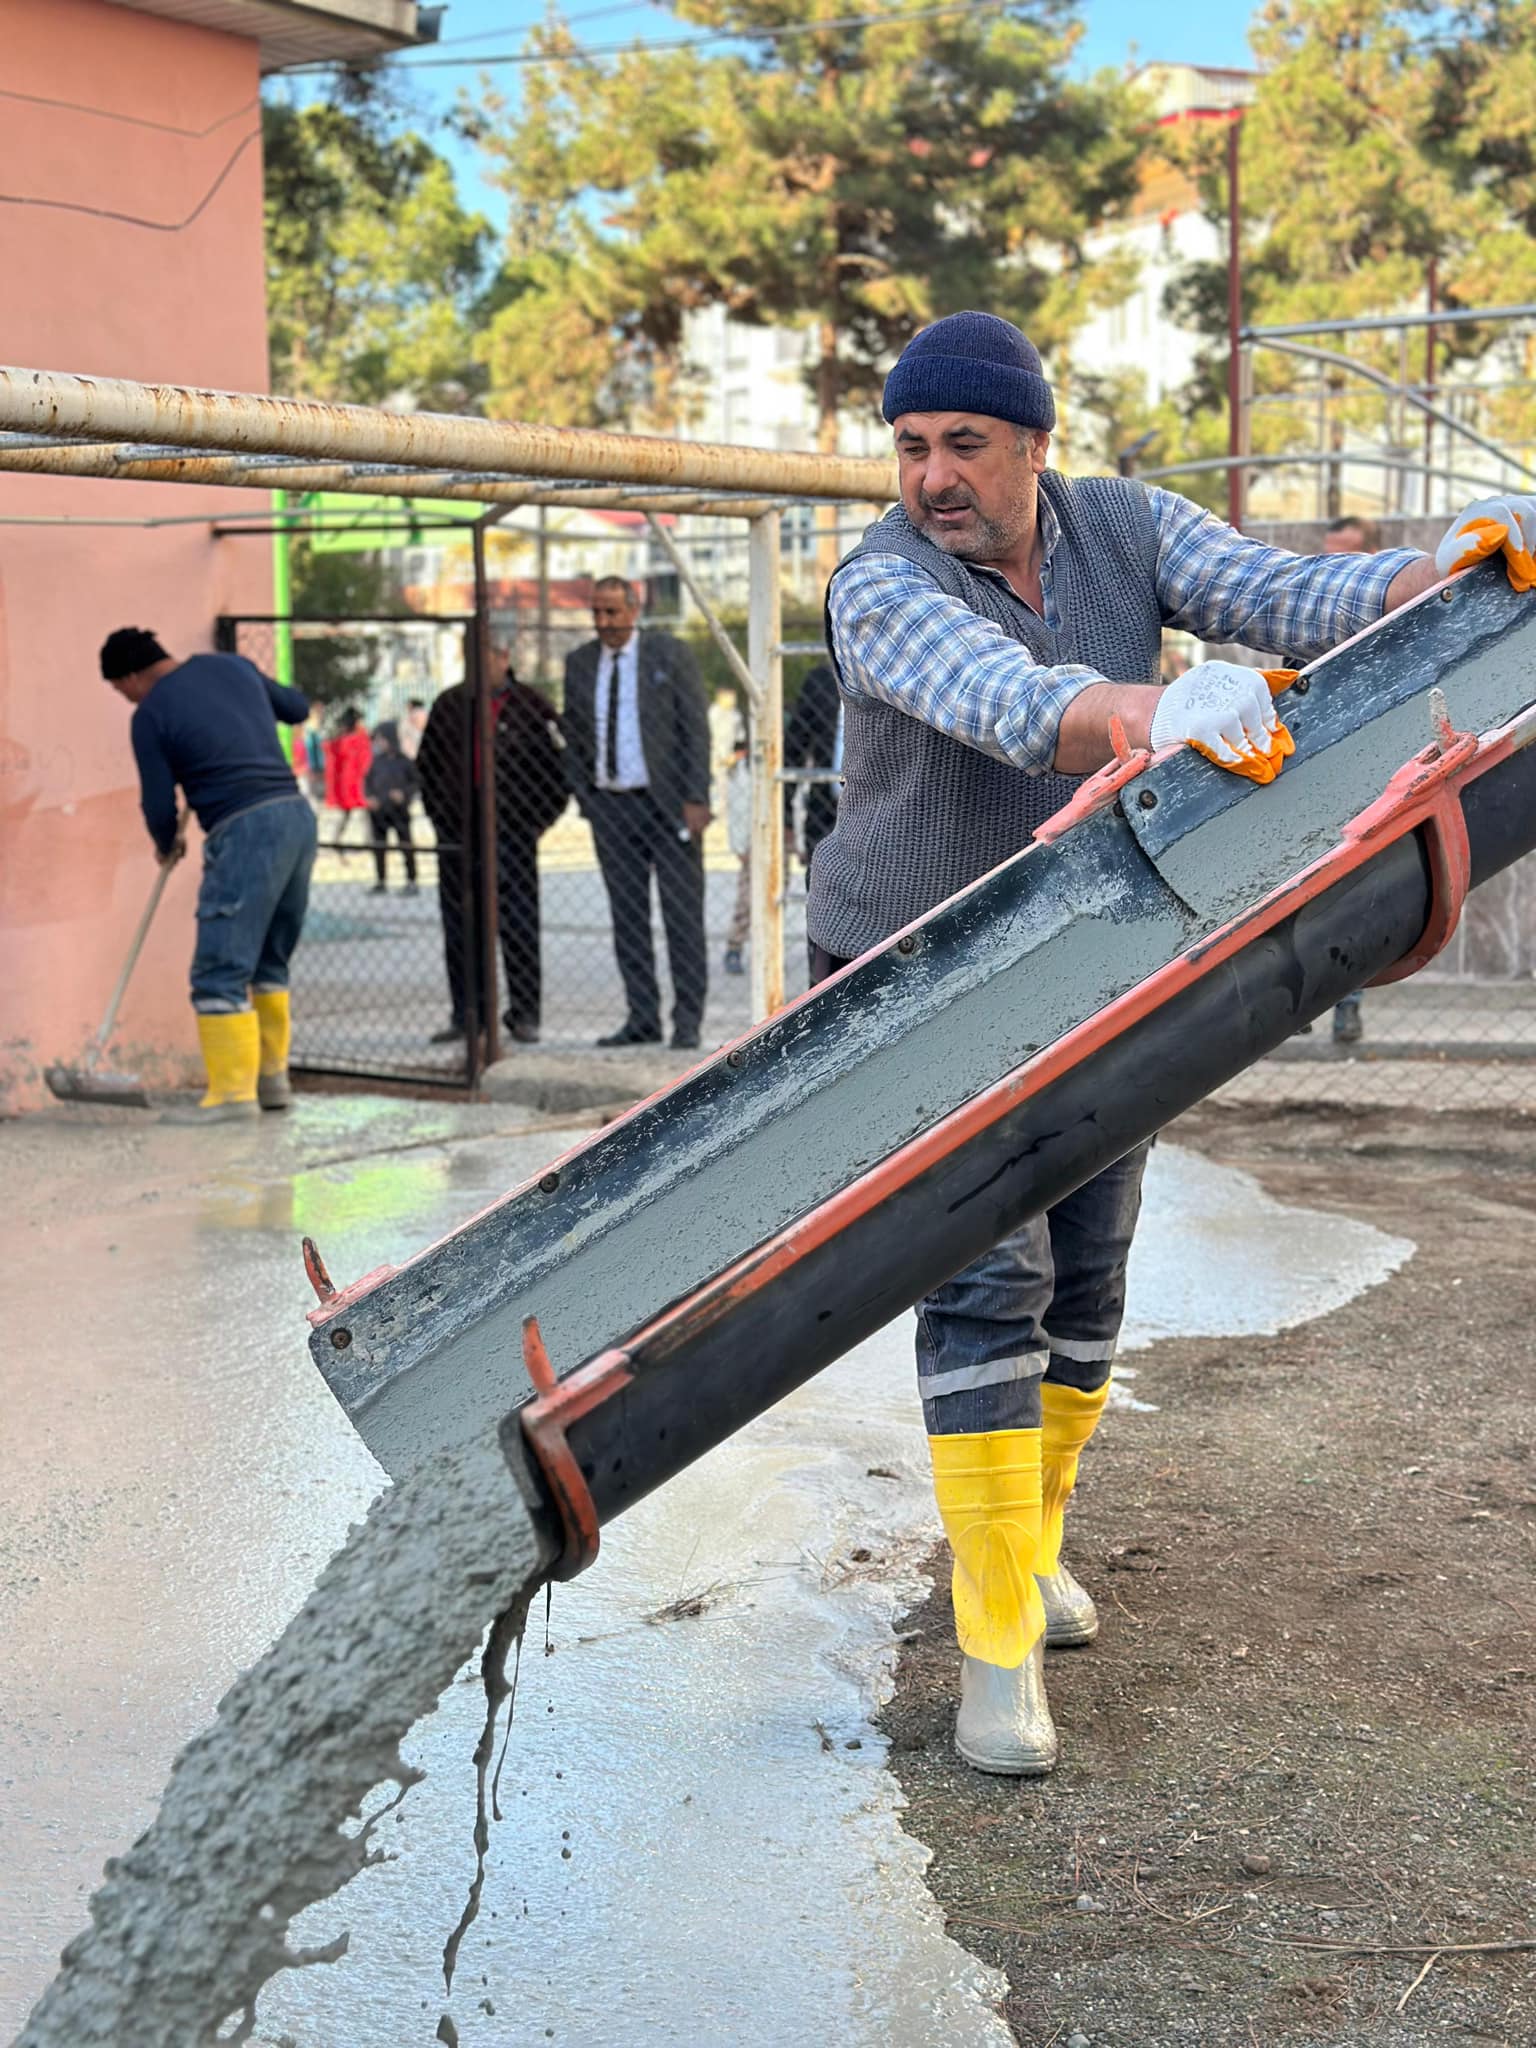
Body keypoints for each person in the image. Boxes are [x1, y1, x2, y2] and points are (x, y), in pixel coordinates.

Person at [810, 309, 1536, 1778]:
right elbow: (1000, 699)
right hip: (917, 972)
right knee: (981, 1277)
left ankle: (1032, 1545)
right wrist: (1155, 709)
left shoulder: (1122, 525)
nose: (931, 476)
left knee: (1091, 1261)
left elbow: (1278, 589)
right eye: (908, 447)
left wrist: (1438, 572)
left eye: (961, 444)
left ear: (1032, 444)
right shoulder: (878, 582)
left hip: (1098, 956)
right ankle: (995, 1638)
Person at [100, 625, 316, 1122]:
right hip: (295, 818)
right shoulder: (233, 666)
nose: (124, 698)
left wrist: (165, 843)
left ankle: (231, 1097)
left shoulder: (151, 714)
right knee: (268, 962)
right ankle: (272, 1083)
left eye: (119, 688)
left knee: (219, 970)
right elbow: (298, 709)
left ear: (132, 676)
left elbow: (158, 801)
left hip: (243, 829)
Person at [563, 577, 712, 1050]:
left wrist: (696, 798)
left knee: (681, 916)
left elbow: (696, 729)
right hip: (611, 809)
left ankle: (686, 1020)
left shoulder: (668, 655)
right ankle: (641, 1016)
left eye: (612, 612)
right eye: (597, 613)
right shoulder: (580, 663)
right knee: (627, 918)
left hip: (667, 807)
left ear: (633, 610)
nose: (604, 622)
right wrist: (586, 798)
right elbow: (575, 734)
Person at [417, 657, 568, 1046]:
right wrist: (442, 820)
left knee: (518, 924)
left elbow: (559, 768)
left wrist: (539, 820)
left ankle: (524, 1014)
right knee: (462, 926)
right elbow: (426, 768)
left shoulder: (531, 706)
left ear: (504, 658)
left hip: (513, 833)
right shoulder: (449, 704)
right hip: (460, 836)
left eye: (490, 653)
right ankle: (468, 1013)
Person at [783, 659, 842, 878]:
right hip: (826, 813)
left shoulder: (890, 673)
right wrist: (785, 818)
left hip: (881, 812)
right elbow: (794, 748)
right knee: (822, 895)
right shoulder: (822, 679)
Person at [364, 721, 420, 896]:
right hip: (379, 811)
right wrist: (370, 797)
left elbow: (416, 783)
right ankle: (381, 881)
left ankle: (411, 881)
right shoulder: (376, 762)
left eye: (382, 739)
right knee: (379, 847)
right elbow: (368, 782)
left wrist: (404, 794)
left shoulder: (405, 762)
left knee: (406, 846)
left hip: (399, 811)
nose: (379, 743)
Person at [323, 707, 373, 854]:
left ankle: (337, 841)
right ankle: (368, 842)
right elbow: (366, 760)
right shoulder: (359, 739)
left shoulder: (339, 741)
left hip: (346, 783)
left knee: (348, 813)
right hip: (357, 781)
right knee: (363, 813)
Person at [400, 697, 428, 762]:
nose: (407, 707)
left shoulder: (416, 713)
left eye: (408, 705)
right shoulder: (422, 713)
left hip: (412, 744)